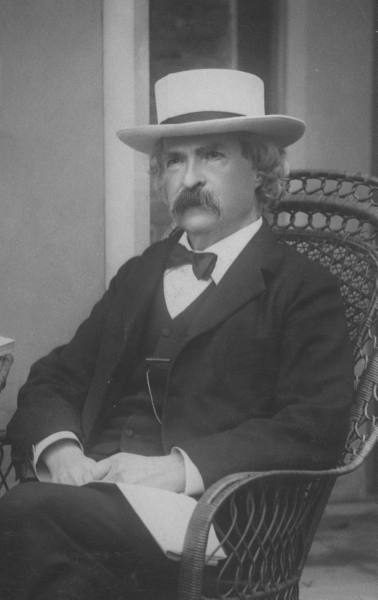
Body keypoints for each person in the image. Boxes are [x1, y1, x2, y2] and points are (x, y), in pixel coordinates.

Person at [0, 69, 354, 599]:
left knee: (24, 515)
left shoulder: (303, 287)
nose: (188, 178)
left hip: (215, 516)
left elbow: (315, 425)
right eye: (173, 161)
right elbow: (56, 375)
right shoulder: (142, 273)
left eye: (211, 155)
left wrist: (176, 469)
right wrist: (63, 451)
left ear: (261, 170)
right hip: (91, 502)